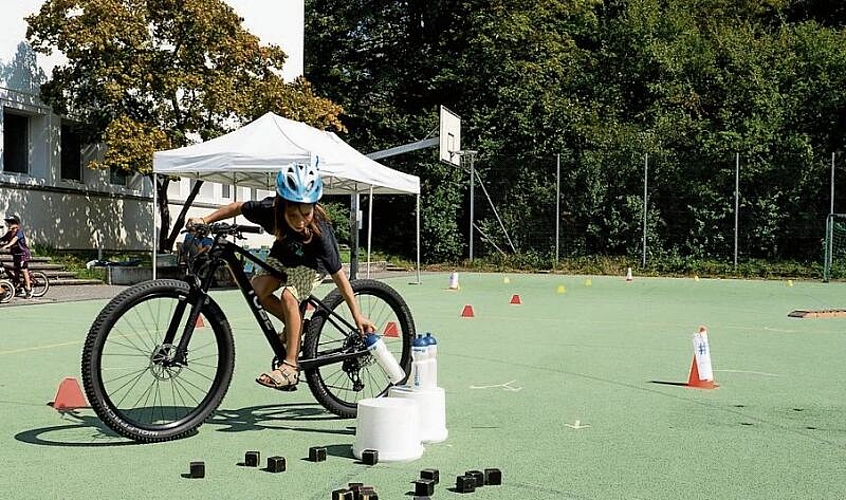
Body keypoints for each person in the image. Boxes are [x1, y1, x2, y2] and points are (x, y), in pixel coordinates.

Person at [187, 157, 376, 390]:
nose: (299, 222)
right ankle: (299, 325)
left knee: (289, 296)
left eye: (306, 214)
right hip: (285, 255)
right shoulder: (269, 210)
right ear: (281, 204)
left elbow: (340, 278)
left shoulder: (320, 233)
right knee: (258, 290)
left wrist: (357, 316)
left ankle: (290, 366)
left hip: (312, 265)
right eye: (293, 215)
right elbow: (236, 206)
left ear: (314, 207)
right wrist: (204, 219)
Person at [0, 215, 33, 298]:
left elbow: (14, 240)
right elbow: (2, 239)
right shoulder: (9, 233)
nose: (9, 224)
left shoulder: (19, 232)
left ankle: (28, 290)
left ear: (17, 224)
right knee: (16, 271)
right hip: (15, 255)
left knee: (23, 270)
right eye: (9, 223)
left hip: (23, 255)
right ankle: (18, 288)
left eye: (12, 223)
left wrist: (7, 246)